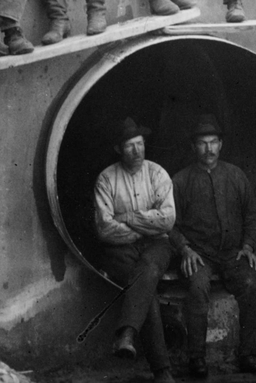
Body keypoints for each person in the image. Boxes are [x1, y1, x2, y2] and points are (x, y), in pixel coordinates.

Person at [170, 115, 256, 376]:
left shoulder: (236, 176)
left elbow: (252, 216)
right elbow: (168, 224)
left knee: (251, 284)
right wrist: (184, 249)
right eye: (202, 143)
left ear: (221, 144)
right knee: (197, 288)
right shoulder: (180, 181)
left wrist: (248, 245)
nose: (209, 149)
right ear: (193, 147)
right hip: (199, 255)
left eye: (213, 142)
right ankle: (197, 359)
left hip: (232, 254)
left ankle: (248, 354)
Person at [93, 117, 175, 383]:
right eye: (129, 146)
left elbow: (167, 220)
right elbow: (105, 229)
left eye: (140, 144)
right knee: (145, 287)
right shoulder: (106, 179)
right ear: (119, 149)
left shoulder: (157, 173)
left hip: (157, 245)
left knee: (148, 269)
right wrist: (144, 226)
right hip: (121, 249)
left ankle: (127, 335)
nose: (137, 151)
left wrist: (128, 218)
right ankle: (162, 372)